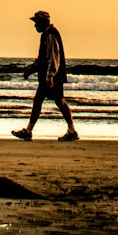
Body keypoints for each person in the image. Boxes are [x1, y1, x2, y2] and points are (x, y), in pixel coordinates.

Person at [12, 9, 79, 140]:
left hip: (51, 77)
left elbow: (53, 58)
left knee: (44, 101)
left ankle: (29, 131)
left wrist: (50, 77)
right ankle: (71, 131)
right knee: (57, 101)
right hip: (51, 76)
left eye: (36, 22)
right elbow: (43, 58)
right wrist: (31, 69)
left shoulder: (50, 35)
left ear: (43, 22)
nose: (35, 25)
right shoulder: (47, 34)